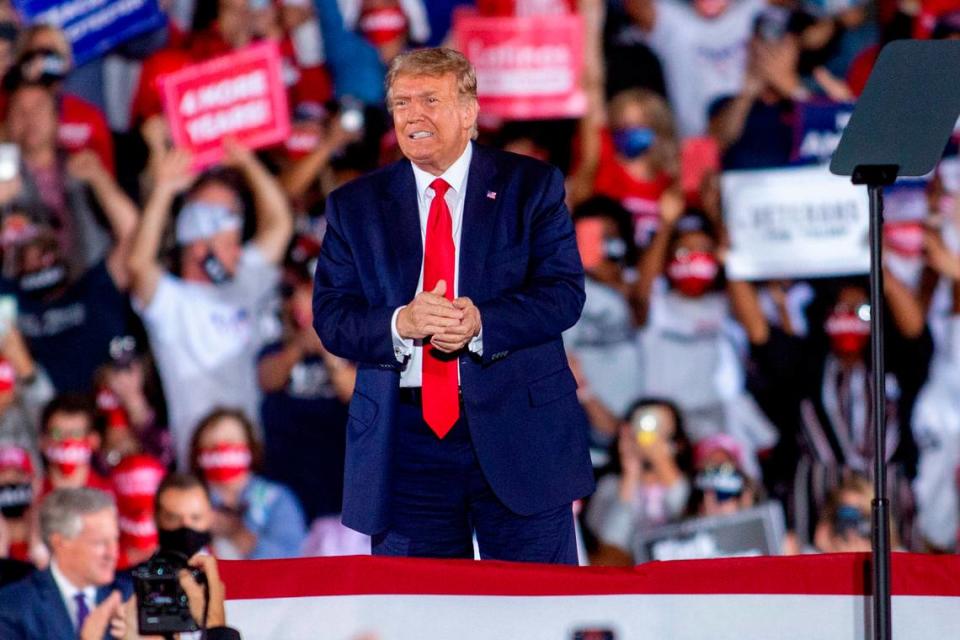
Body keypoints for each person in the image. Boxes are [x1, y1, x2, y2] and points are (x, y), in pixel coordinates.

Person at [313, 47, 594, 563]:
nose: (413, 115)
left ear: (469, 112)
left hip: (519, 431)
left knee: (537, 613)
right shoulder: (354, 207)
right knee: (418, 617)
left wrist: (482, 323)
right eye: (401, 103)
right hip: (406, 444)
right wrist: (402, 322)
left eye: (430, 100)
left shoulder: (530, 186)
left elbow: (563, 294)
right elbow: (332, 318)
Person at [128, 140, 293, 467]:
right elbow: (138, 265)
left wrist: (247, 162)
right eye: (230, 244)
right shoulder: (172, 302)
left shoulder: (242, 280)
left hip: (251, 458)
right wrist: (163, 190)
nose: (239, 252)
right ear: (199, 249)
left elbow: (280, 224)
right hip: (199, 464)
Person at [0, 487, 132, 640]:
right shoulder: (13, 606)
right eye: (100, 543)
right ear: (60, 543)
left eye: (115, 539)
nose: (113, 553)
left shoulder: (130, 597)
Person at [189, 408, 307, 559]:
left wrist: (236, 532)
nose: (221, 449)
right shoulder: (187, 499)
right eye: (211, 445)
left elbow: (292, 559)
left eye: (230, 442)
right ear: (198, 455)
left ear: (250, 448)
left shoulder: (277, 499)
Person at [40, 394, 113, 496]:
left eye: (76, 434)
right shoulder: (30, 497)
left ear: (94, 440)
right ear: (42, 441)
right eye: (57, 434)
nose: (66, 440)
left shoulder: (113, 494)